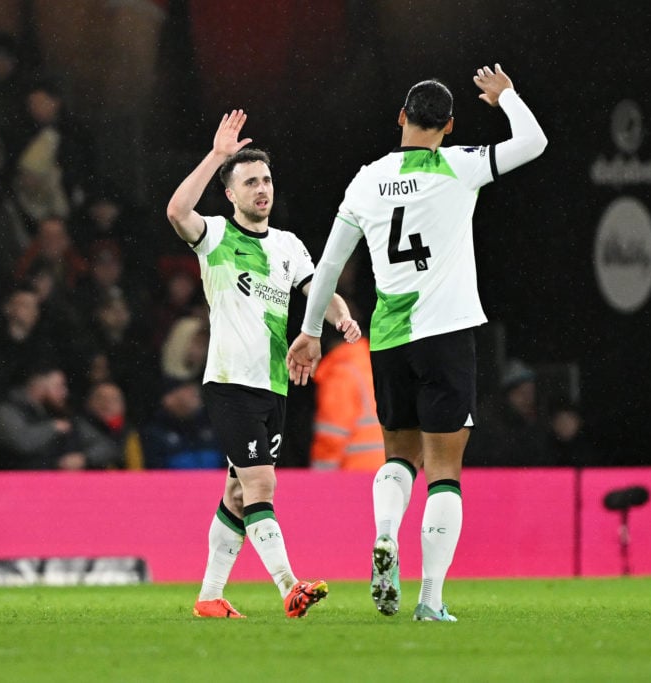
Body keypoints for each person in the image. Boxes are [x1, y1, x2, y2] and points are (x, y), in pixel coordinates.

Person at [287, 63, 547, 621]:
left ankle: (385, 533)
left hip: (388, 339)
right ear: (449, 126)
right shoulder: (459, 166)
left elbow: (330, 263)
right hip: (447, 334)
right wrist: (506, 97)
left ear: (401, 117)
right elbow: (534, 142)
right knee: (445, 472)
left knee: (397, 457)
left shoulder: (365, 178)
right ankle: (430, 598)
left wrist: (310, 332)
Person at [165, 109, 361, 620]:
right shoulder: (214, 237)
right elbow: (176, 211)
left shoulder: (289, 246)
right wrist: (217, 156)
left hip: (274, 385)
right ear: (230, 193)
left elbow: (319, 294)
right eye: (249, 181)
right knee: (261, 485)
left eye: (266, 180)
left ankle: (210, 597)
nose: (261, 189)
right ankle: (288, 586)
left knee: (236, 492)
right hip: (231, 382)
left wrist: (339, 318)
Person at [309, 326, 385, 471]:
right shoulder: (376, 363)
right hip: (390, 468)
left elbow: (332, 434)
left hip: (356, 471)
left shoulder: (341, 372)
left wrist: (320, 476)